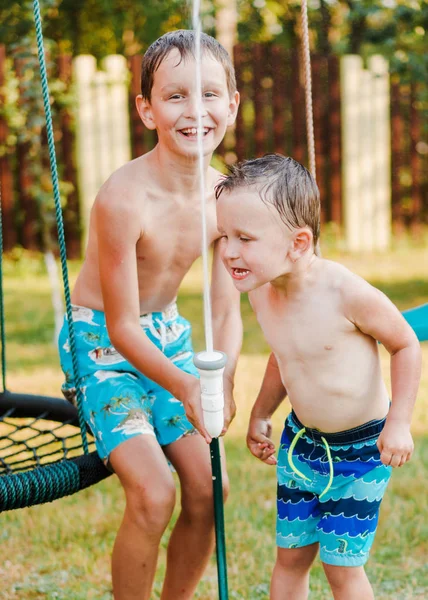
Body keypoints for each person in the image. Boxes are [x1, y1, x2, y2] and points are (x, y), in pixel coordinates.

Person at [58, 30, 241, 600]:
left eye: (210, 94)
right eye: (175, 96)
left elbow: (224, 307)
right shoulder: (123, 199)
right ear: (146, 109)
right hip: (103, 343)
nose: (195, 111)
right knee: (155, 492)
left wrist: (223, 378)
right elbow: (120, 326)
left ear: (232, 104)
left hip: (167, 337)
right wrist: (187, 383)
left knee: (211, 489)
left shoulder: (223, 197)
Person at [215, 154, 421, 600]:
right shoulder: (262, 295)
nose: (230, 250)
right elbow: (285, 357)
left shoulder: (346, 293)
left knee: (340, 565)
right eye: (225, 236)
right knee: (290, 558)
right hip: (301, 447)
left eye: (245, 238)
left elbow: (405, 343)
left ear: (299, 242)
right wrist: (260, 412)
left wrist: (399, 421)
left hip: (362, 451)